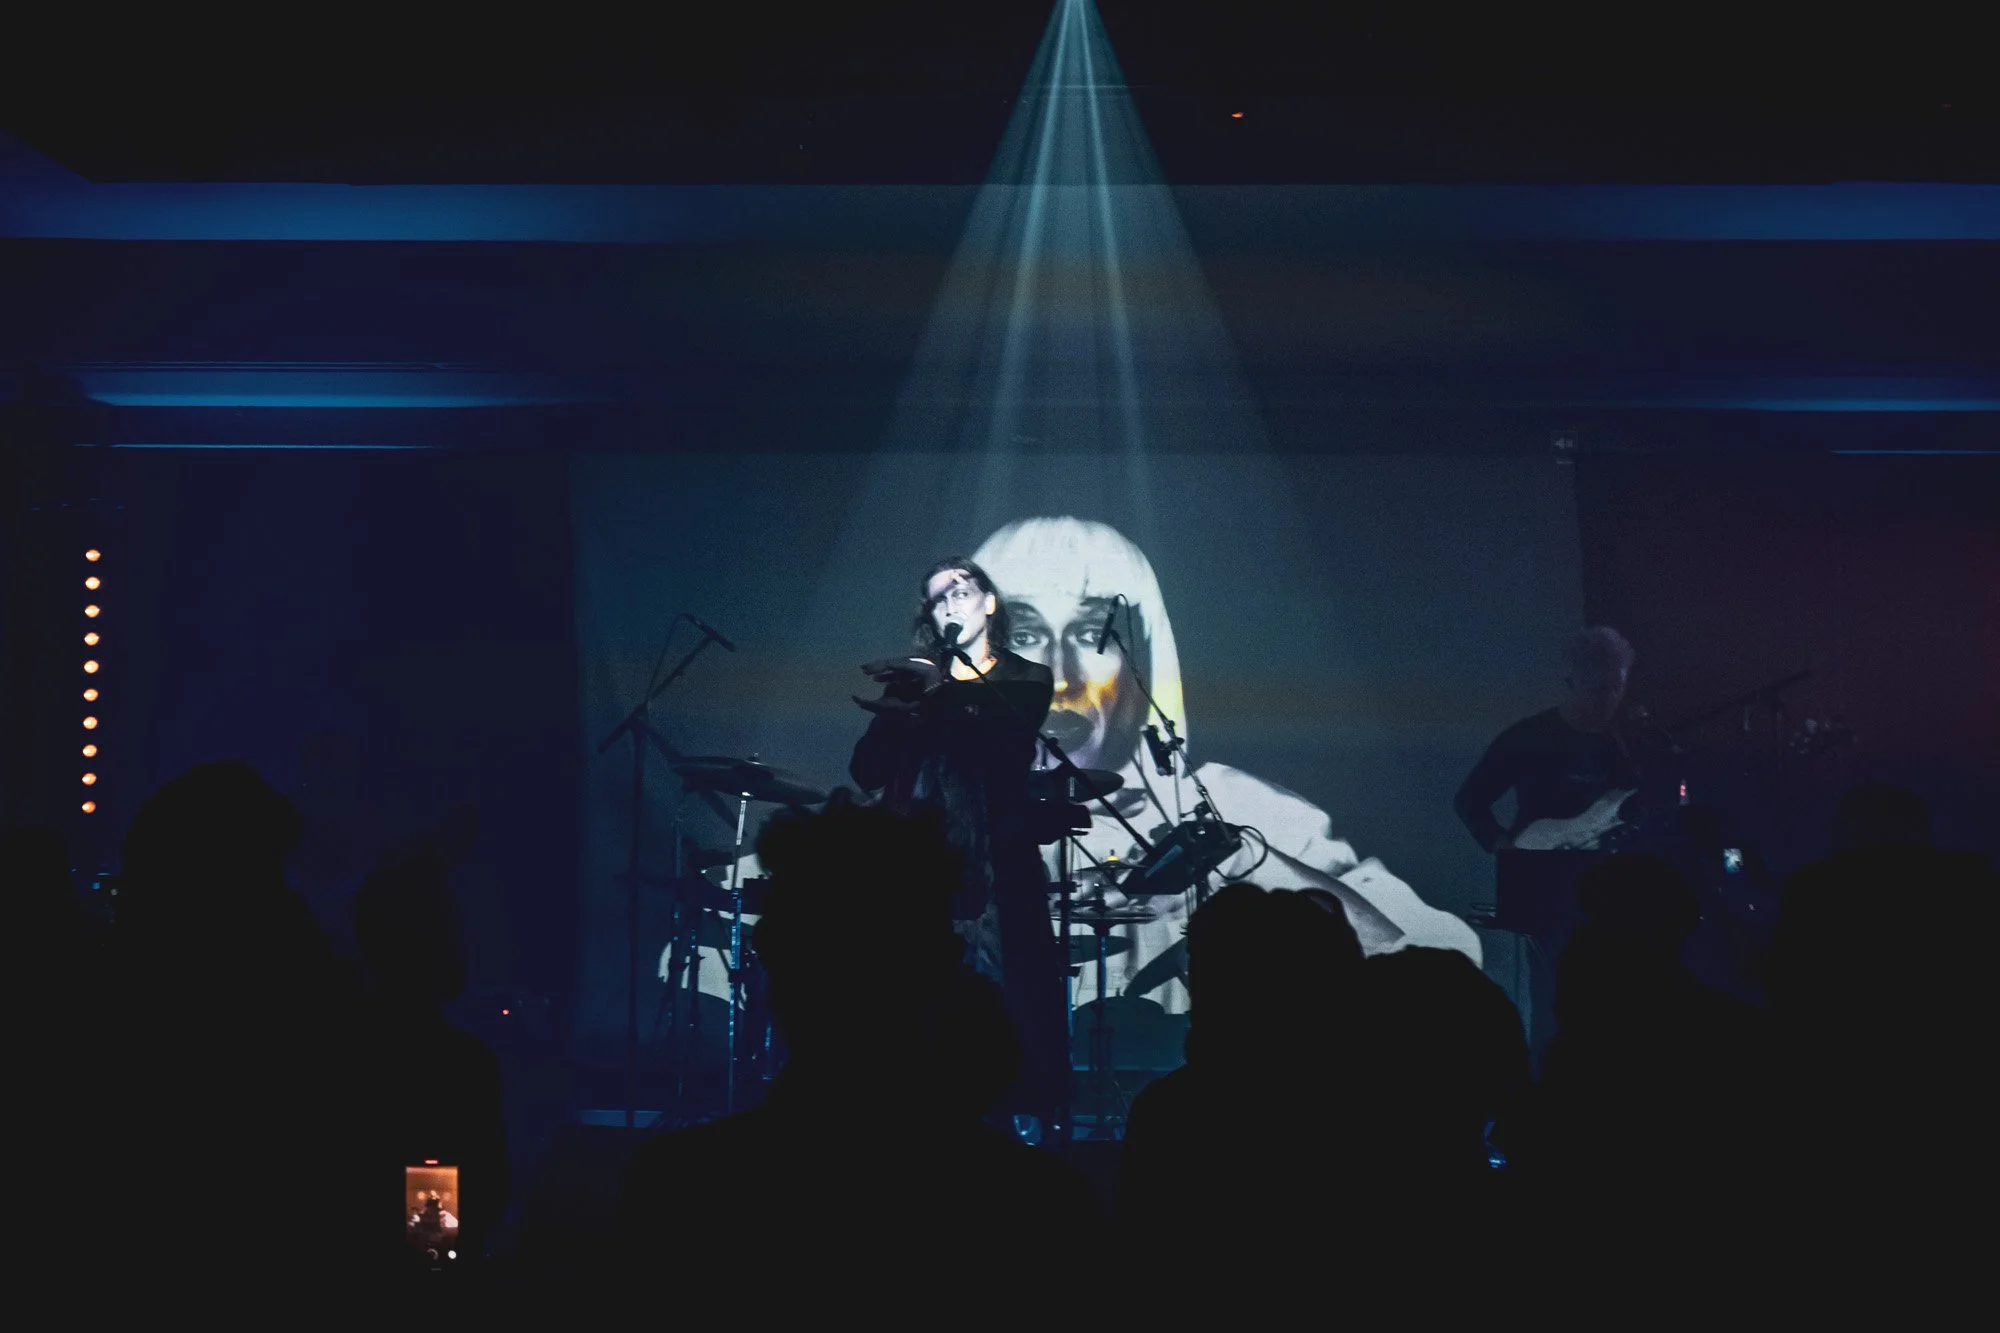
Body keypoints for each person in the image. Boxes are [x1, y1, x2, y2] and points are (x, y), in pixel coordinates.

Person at [968, 517, 1481, 1023]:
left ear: (1144, 654)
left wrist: (1237, 859)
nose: (1062, 677)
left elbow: (1443, 965)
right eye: (1025, 635)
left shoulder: (1241, 807)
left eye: (1089, 635)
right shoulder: (949, 819)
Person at [848, 556, 1064, 1123]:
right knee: (917, 1000)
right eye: (937, 597)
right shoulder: (911, 685)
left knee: (999, 997)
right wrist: (898, 716)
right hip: (920, 870)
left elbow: (1002, 749)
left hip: (998, 869)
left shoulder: (1024, 678)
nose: (948, 603)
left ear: (989, 603)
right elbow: (866, 770)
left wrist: (934, 694)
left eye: (960, 591)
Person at [1454, 626, 1640, 855]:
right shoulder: (1528, 737)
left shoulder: (1624, 741)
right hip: (1539, 864)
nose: (1609, 699)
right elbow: (1469, 800)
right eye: (1599, 689)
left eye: (1617, 688)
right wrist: (1504, 848)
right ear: (1572, 682)